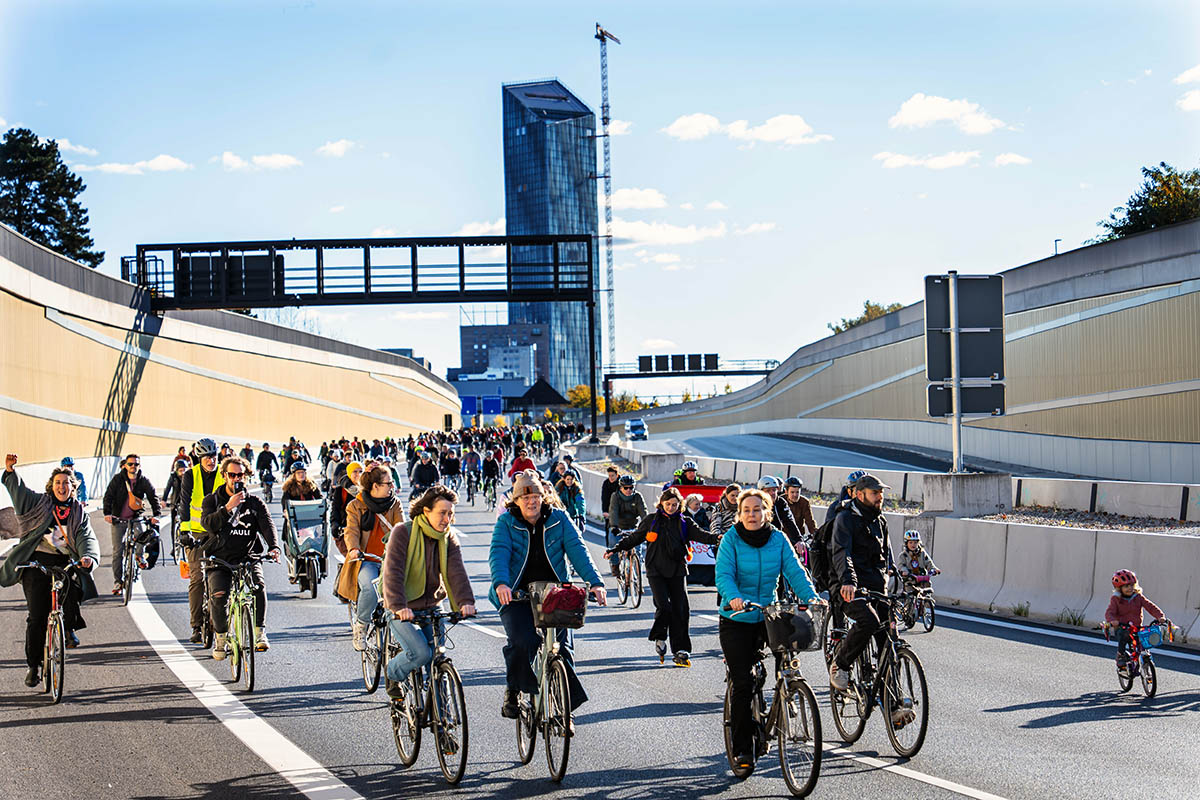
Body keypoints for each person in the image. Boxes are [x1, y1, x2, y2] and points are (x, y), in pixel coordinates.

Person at [716, 487, 821, 772]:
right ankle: (742, 748)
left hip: (769, 614)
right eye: (746, 510)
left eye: (757, 509)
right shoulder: (731, 539)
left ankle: (786, 692)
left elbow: (795, 571)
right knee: (743, 682)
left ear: (767, 512)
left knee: (788, 658)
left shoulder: (778, 538)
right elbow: (723, 575)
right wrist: (733, 596)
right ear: (739, 514)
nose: (752, 514)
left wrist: (811, 597)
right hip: (737, 617)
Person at [489, 470, 606, 727]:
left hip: (555, 594)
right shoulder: (506, 523)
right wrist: (501, 584)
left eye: (536, 496)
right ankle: (514, 689)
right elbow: (498, 553)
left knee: (563, 650)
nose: (531, 502)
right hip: (517, 594)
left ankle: (565, 710)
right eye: (525, 497)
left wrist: (595, 582)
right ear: (516, 500)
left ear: (544, 497)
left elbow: (578, 550)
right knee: (523, 642)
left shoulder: (559, 519)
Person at [2, 454, 100, 685]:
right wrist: (10, 471)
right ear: (51, 486)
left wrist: (87, 557)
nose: (62, 487)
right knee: (36, 618)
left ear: (72, 487)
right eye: (58, 483)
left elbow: (86, 537)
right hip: (36, 561)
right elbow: (20, 493)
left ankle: (67, 629)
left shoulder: (78, 512)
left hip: (63, 561)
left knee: (70, 591)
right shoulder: (39, 503)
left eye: (66, 483)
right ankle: (33, 666)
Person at [606, 487, 720, 667]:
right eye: (668, 504)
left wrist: (720, 538)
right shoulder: (651, 521)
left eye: (675, 505)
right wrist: (616, 548)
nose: (671, 508)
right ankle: (659, 637)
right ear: (661, 504)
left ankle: (681, 650)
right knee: (664, 607)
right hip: (655, 570)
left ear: (680, 505)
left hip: (677, 570)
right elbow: (635, 538)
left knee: (681, 610)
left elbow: (702, 536)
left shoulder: (685, 523)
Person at [380, 485, 476, 698]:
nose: (447, 518)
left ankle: (442, 719)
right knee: (421, 653)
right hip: (400, 605)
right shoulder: (403, 532)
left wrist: (465, 602)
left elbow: (456, 571)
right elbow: (392, 572)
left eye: (451, 513)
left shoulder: (448, 537)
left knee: (437, 658)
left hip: (432, 605)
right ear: (426, 511)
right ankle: (393, 672)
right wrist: (398, 606)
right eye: (442, 513)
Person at [829, 474, 904, 730]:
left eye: (881, 493)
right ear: (859, 495)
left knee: (888, 640)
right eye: (875, 493)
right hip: (847, 586)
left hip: (876, 586)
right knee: (869, 621)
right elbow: (842, 553)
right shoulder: (845, 519)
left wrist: (897, 579)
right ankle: (841, 663)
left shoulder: (880, 521)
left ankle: (894, 707)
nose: (880, 497)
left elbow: (887, 557)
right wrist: (848, 582)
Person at [198, 456, 280, 657]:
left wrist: (274, 547)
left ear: (246, 476)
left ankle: (259, 632)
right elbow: (208, 524)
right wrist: (227, 508)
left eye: (240, 475)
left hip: (247, 556)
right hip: (220, 558)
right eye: (232, 474)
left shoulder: (254, 502)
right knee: (219, 596)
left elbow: (267, 525)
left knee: (258, 587)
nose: (236, 478)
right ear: (224, 475)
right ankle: (221, 637)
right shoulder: (213, 500)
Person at [341, 465, 406, 650]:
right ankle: (361, 626)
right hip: (366, 559)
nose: (391, 487)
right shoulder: (355, 506)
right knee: (370, 587)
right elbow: (351, 531)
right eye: (388, 483)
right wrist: (353, 549)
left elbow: (401, 527)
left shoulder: (395, 504)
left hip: (390, 559)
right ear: (375, 486)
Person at [180, 438, 223, 643]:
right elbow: (185, 504)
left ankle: (223, 621)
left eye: (213, 456)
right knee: (197, 578)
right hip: (196, 534)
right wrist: (184, 532)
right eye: (206, 457)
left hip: (219, 533)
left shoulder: (224, 474)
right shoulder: (190, 475)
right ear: (199, 458)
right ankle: (196, 625)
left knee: (224, 575)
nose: (211, 460)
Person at [102, 453, 162, 594]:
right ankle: (118, 582)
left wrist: (156, 515)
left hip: (136, 517)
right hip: (118, 519)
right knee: (118, 551)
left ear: (139, 466)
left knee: (142, 537)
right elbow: (108, 496)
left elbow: (153, 497)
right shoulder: (118, 480)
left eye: (136, 464)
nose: (133, 466)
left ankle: (139, 556)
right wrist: (107, 513)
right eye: (130, 464)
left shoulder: (143, 481)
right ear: (125, 465)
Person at [1105, 570, 1167, 672]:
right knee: (1124, 635)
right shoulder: (1116, 599)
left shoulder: (1138, 597)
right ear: (1119, 588)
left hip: (1137, 627)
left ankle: (1145, 662)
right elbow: (1109, 612)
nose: (1129, 588)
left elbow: (1150, 606)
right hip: (1122, 627)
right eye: (1126, 586)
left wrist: (1160, 616)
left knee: (1143, 641)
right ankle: (1120, 655)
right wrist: (1112, 620)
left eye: (1131, 585)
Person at [281, 462, 324, 583]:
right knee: (289, 542)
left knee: (318, 540)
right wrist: (285, 511)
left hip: (311, 520)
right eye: (299, 473)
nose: (301, 475)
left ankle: (320, 567)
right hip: (295, 521)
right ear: (294, 475)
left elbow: (319, 498)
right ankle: (293, 570)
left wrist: (323, 506)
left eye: (303, 473)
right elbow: (285, 502)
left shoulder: (311, 485)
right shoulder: (289, 488)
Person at [607, 474, 647, 576]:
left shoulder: (637, 497)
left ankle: (637, 575)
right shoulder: (615, 496)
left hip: (633, 527)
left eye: (631, 487)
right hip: (618, 527)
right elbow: (613, 512)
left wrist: (647, 524)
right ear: (621, 488)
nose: (629, 490)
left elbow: (643, 511)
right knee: (612, 543)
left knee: (638, 550)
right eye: (626, 488)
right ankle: (615, 565)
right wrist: (614, 526)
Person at [897, 530, 939, 594]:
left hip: (922, 579)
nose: (913, 545)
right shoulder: (903, 555)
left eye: (915, 542)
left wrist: (934, 569)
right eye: (910, 542)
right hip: (910, 580)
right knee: (909, 597)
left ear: (918, 543)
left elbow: (929, 563)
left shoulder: (922, 553)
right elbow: (901, 566)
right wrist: (904, 571)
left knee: (927, 593)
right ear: (906, 543)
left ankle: (927, 603)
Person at [782, 476, 817, 542]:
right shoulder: (780, 501)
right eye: (792, 492)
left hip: (798, 537)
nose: (795, 495)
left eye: (797, 492)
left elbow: (809, 521)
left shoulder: (804, 502)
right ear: (786, 492)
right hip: (783, 537)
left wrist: (815, 534)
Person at [600, 466, 620, 552]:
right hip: (609, 512)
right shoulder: (606, 483)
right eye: (609, 475)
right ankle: (610, 551)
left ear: (617, 475)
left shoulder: (622, 484)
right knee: (609, 532)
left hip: (620, 511)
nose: (611, 478)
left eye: (612, 475)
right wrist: (605, 511)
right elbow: (604, 498)